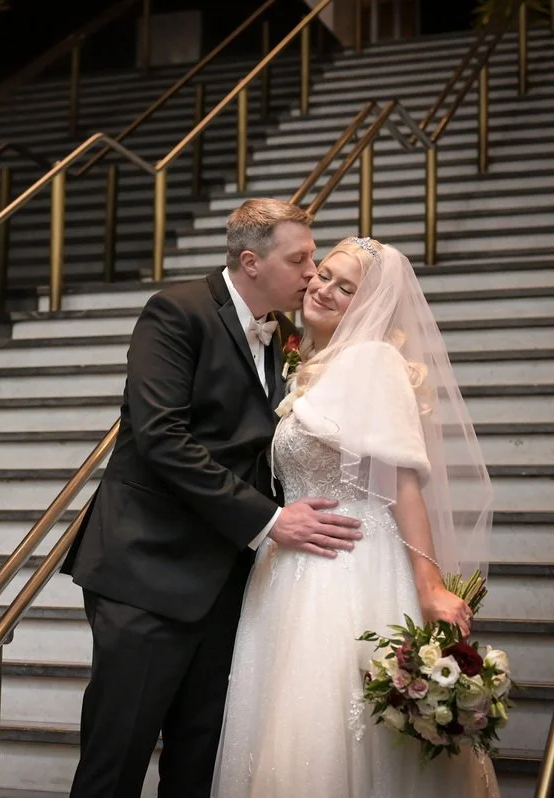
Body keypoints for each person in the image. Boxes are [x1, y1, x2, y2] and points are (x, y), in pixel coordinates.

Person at [61, 199, 365, 797]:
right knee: (115, 761)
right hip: (148, 570)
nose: (311, 273)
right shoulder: (177, 312)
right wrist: (269, 520)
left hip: (229, 578)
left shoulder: (284, 335)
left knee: (199, 760)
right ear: (251, 262)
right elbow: (162, 438)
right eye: (299, 259)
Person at [211, 236, 500, 797]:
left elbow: (404, 483)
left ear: (369, 306)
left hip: (348, 568)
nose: (323, 289)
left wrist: (430, 585)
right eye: (323, 274)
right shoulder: (308, 363)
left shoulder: (373, 360)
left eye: (346, 289)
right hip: (290, 571)